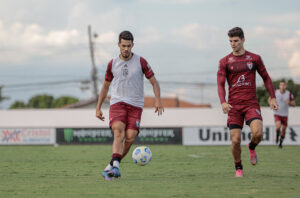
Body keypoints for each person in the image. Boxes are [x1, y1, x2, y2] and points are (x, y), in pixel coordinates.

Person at [96, 30, 164, 180]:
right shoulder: (112, 63)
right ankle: (116, 168)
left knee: (131, 137)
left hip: (136, 105)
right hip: (118, 103)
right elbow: (105, 86)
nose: (126, 49)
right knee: (118, 132)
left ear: (133, 45)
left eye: (129, 46)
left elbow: (154, 82)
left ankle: (111, 166)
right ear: (118, 45)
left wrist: (158, 99)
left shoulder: (141, 62)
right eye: (123, 45)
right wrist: (98, 107)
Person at [217, 27, 278, 178]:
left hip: (251, 104)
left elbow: (266, 77)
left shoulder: (255, 58)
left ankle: (251, 146)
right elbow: (220, 84)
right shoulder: (224, 61)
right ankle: (238, 167)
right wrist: (223, 102)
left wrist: (273, 97)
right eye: (230, 41)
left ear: (243, 40)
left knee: (258, 134)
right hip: (234, 106)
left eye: (236, 41)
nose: (233, 44)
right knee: (235, 139)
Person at [268, 80, 295, 149]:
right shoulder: (275, 92)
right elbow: (269, 99)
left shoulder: (289, 94)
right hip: (277, 113)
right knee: (278, 126)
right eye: (281, 85)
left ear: (286, 86)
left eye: (284, 85)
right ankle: (277, 135)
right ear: (279, 86)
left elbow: (294, 104)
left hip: (285, 115)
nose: (282, 86)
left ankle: (280, 143)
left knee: (283, 130)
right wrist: (271, 104)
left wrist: (289, 103)